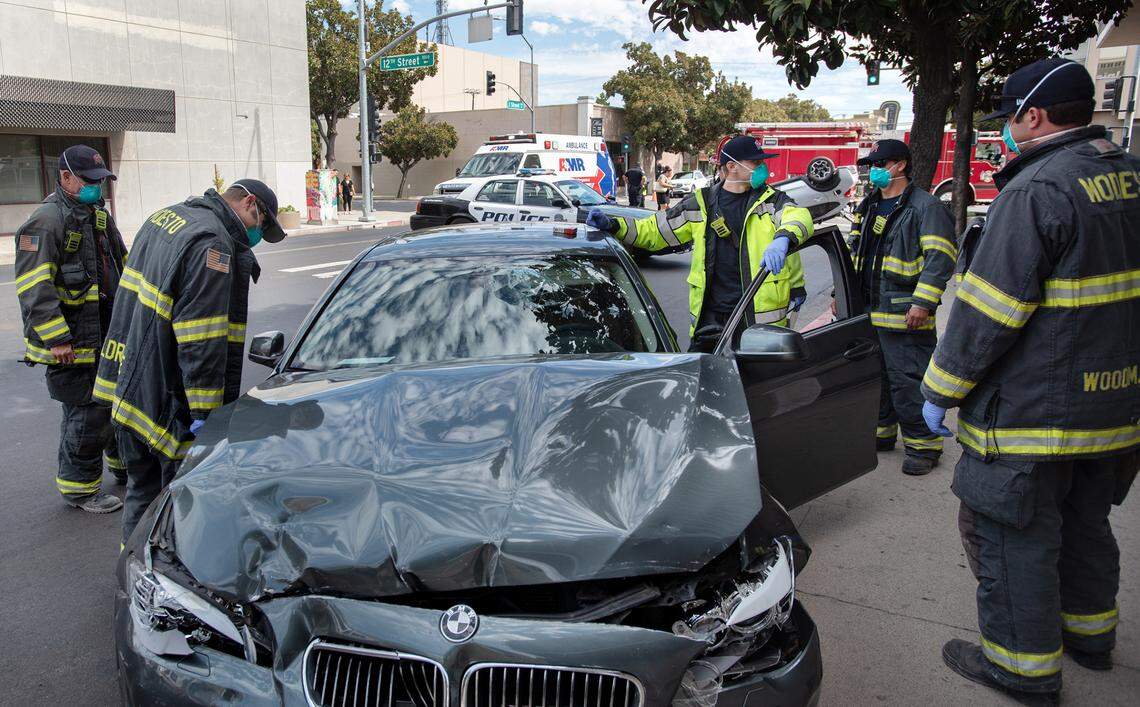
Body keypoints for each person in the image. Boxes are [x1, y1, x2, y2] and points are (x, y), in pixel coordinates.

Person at [921, 58, 1140, 705]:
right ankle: (1090, 638)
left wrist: (938, 392)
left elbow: (985, 315)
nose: (1007, 131)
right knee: (1085, 521)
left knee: (1012, 536)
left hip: (1038, 415)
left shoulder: (1037, 189)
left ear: (1034, 116)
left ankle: (1022, 667)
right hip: (1116, 410)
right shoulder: (1127, 177)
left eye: (1010, 118)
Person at [94, 179, 287, 544]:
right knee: (178, 509)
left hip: (130, 389)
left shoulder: (166, 218)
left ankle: (131, 569)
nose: (257, 235)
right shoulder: (213, 244)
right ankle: (168, 583)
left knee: (141, 493)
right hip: (166, 404)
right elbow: (202, 340)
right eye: (261, 225)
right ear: (249, 204)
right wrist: (206, 416)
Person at [586, 135, 813, 350]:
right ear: (732, 166)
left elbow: (797, 217)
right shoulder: (702, 204)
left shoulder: (772, 200)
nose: (763, 167)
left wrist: (783, 239)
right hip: (711, 323)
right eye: (756, 162)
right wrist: (616, 225)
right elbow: (657, 231)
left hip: (758, 324)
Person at [14, 145, 128, 513]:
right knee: (86, 411)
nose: (98, 188)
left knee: (111, 404)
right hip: (72, 340)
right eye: (90, 181)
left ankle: (122, 466)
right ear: (65, 177)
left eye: (101, 181)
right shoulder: (46, 221)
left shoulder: (94, 213)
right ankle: (80, 489)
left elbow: (119, 262)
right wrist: (57, 337)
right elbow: (35, 286)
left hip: (104, 333)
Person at [846, 139, 955, 476]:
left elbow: (940, 259)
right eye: (872, 165)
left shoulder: (925, 207)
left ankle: (924, 446)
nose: (874, 171)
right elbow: (855, 252)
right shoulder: (868, 205)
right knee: (876, 379)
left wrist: (923, 302)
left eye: (881, 164)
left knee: (908, 382)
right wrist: (843, 292)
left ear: (900, 165)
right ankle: (881, 434)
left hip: (906, 313)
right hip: (870, 312)